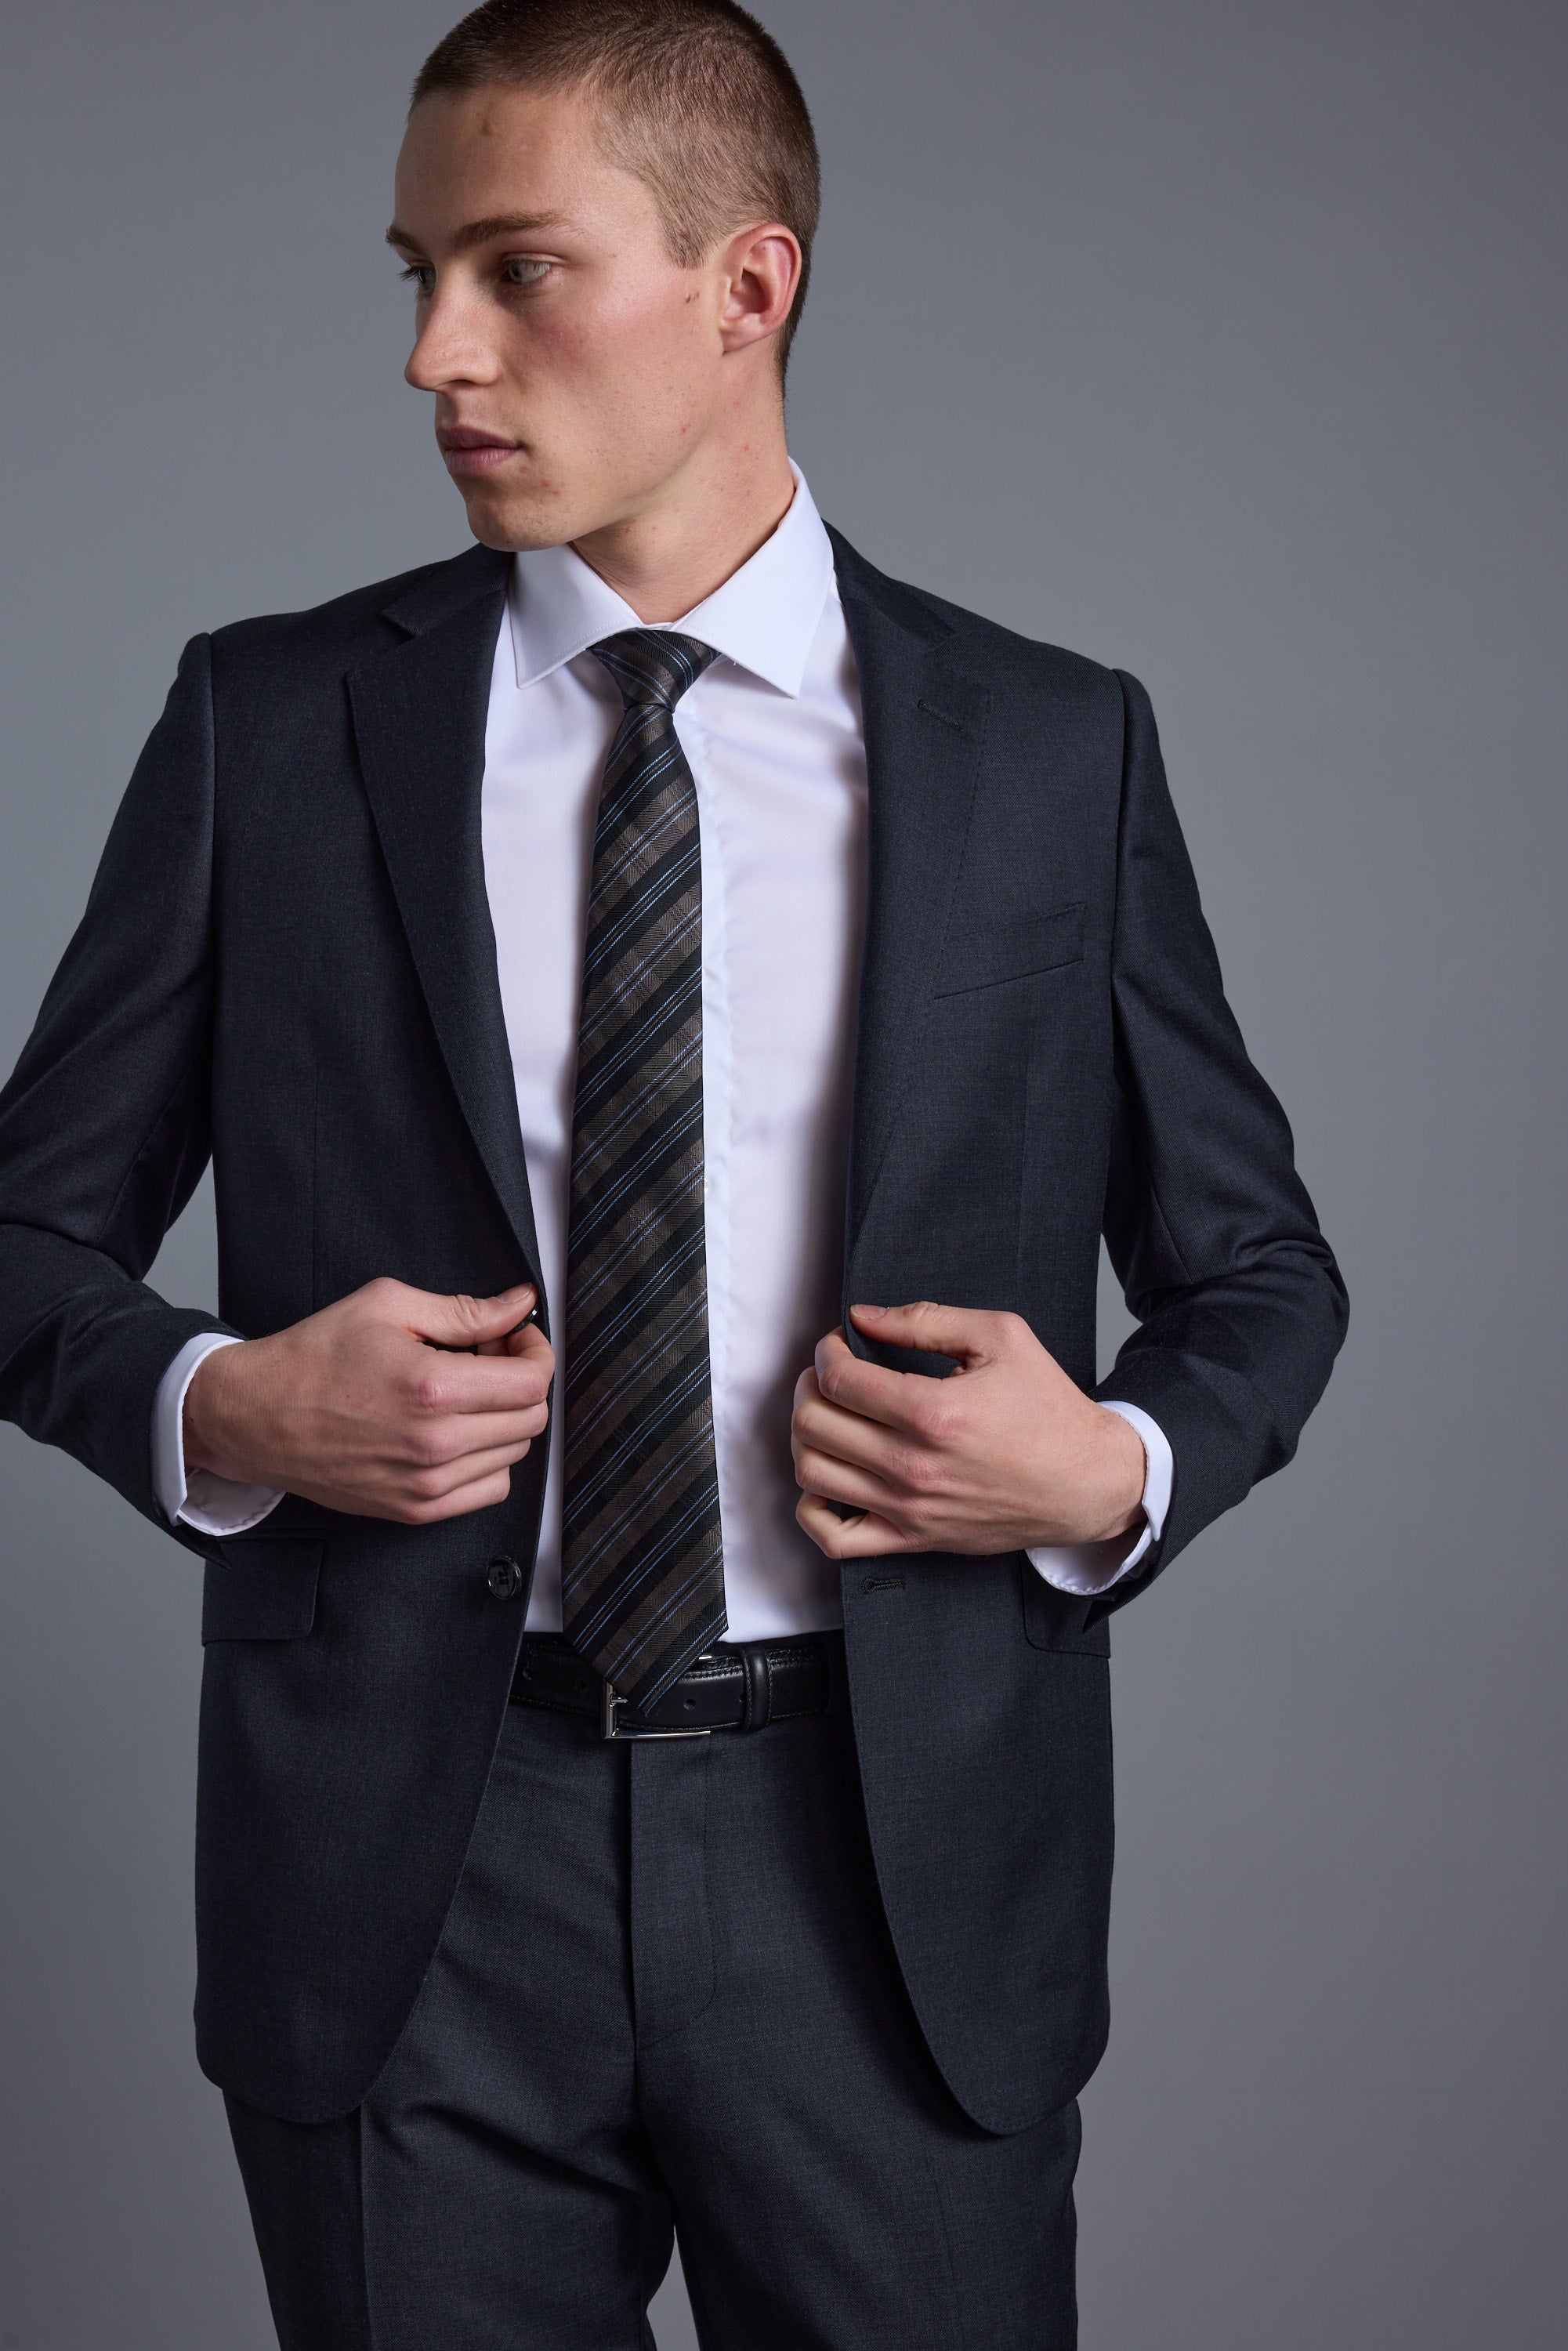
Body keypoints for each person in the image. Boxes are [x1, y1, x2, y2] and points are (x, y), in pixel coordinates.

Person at [0, 2, 1347, 2342]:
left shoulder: (1049, 748)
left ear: (749, 287)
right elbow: (21, 1237)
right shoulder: (270, 723)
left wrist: (1102, 1461)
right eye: (415, 270)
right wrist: (227, 1406)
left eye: (518, 269)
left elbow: (1261, 1278)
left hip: (894, 1862)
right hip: (411, 1881)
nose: (435, 349)